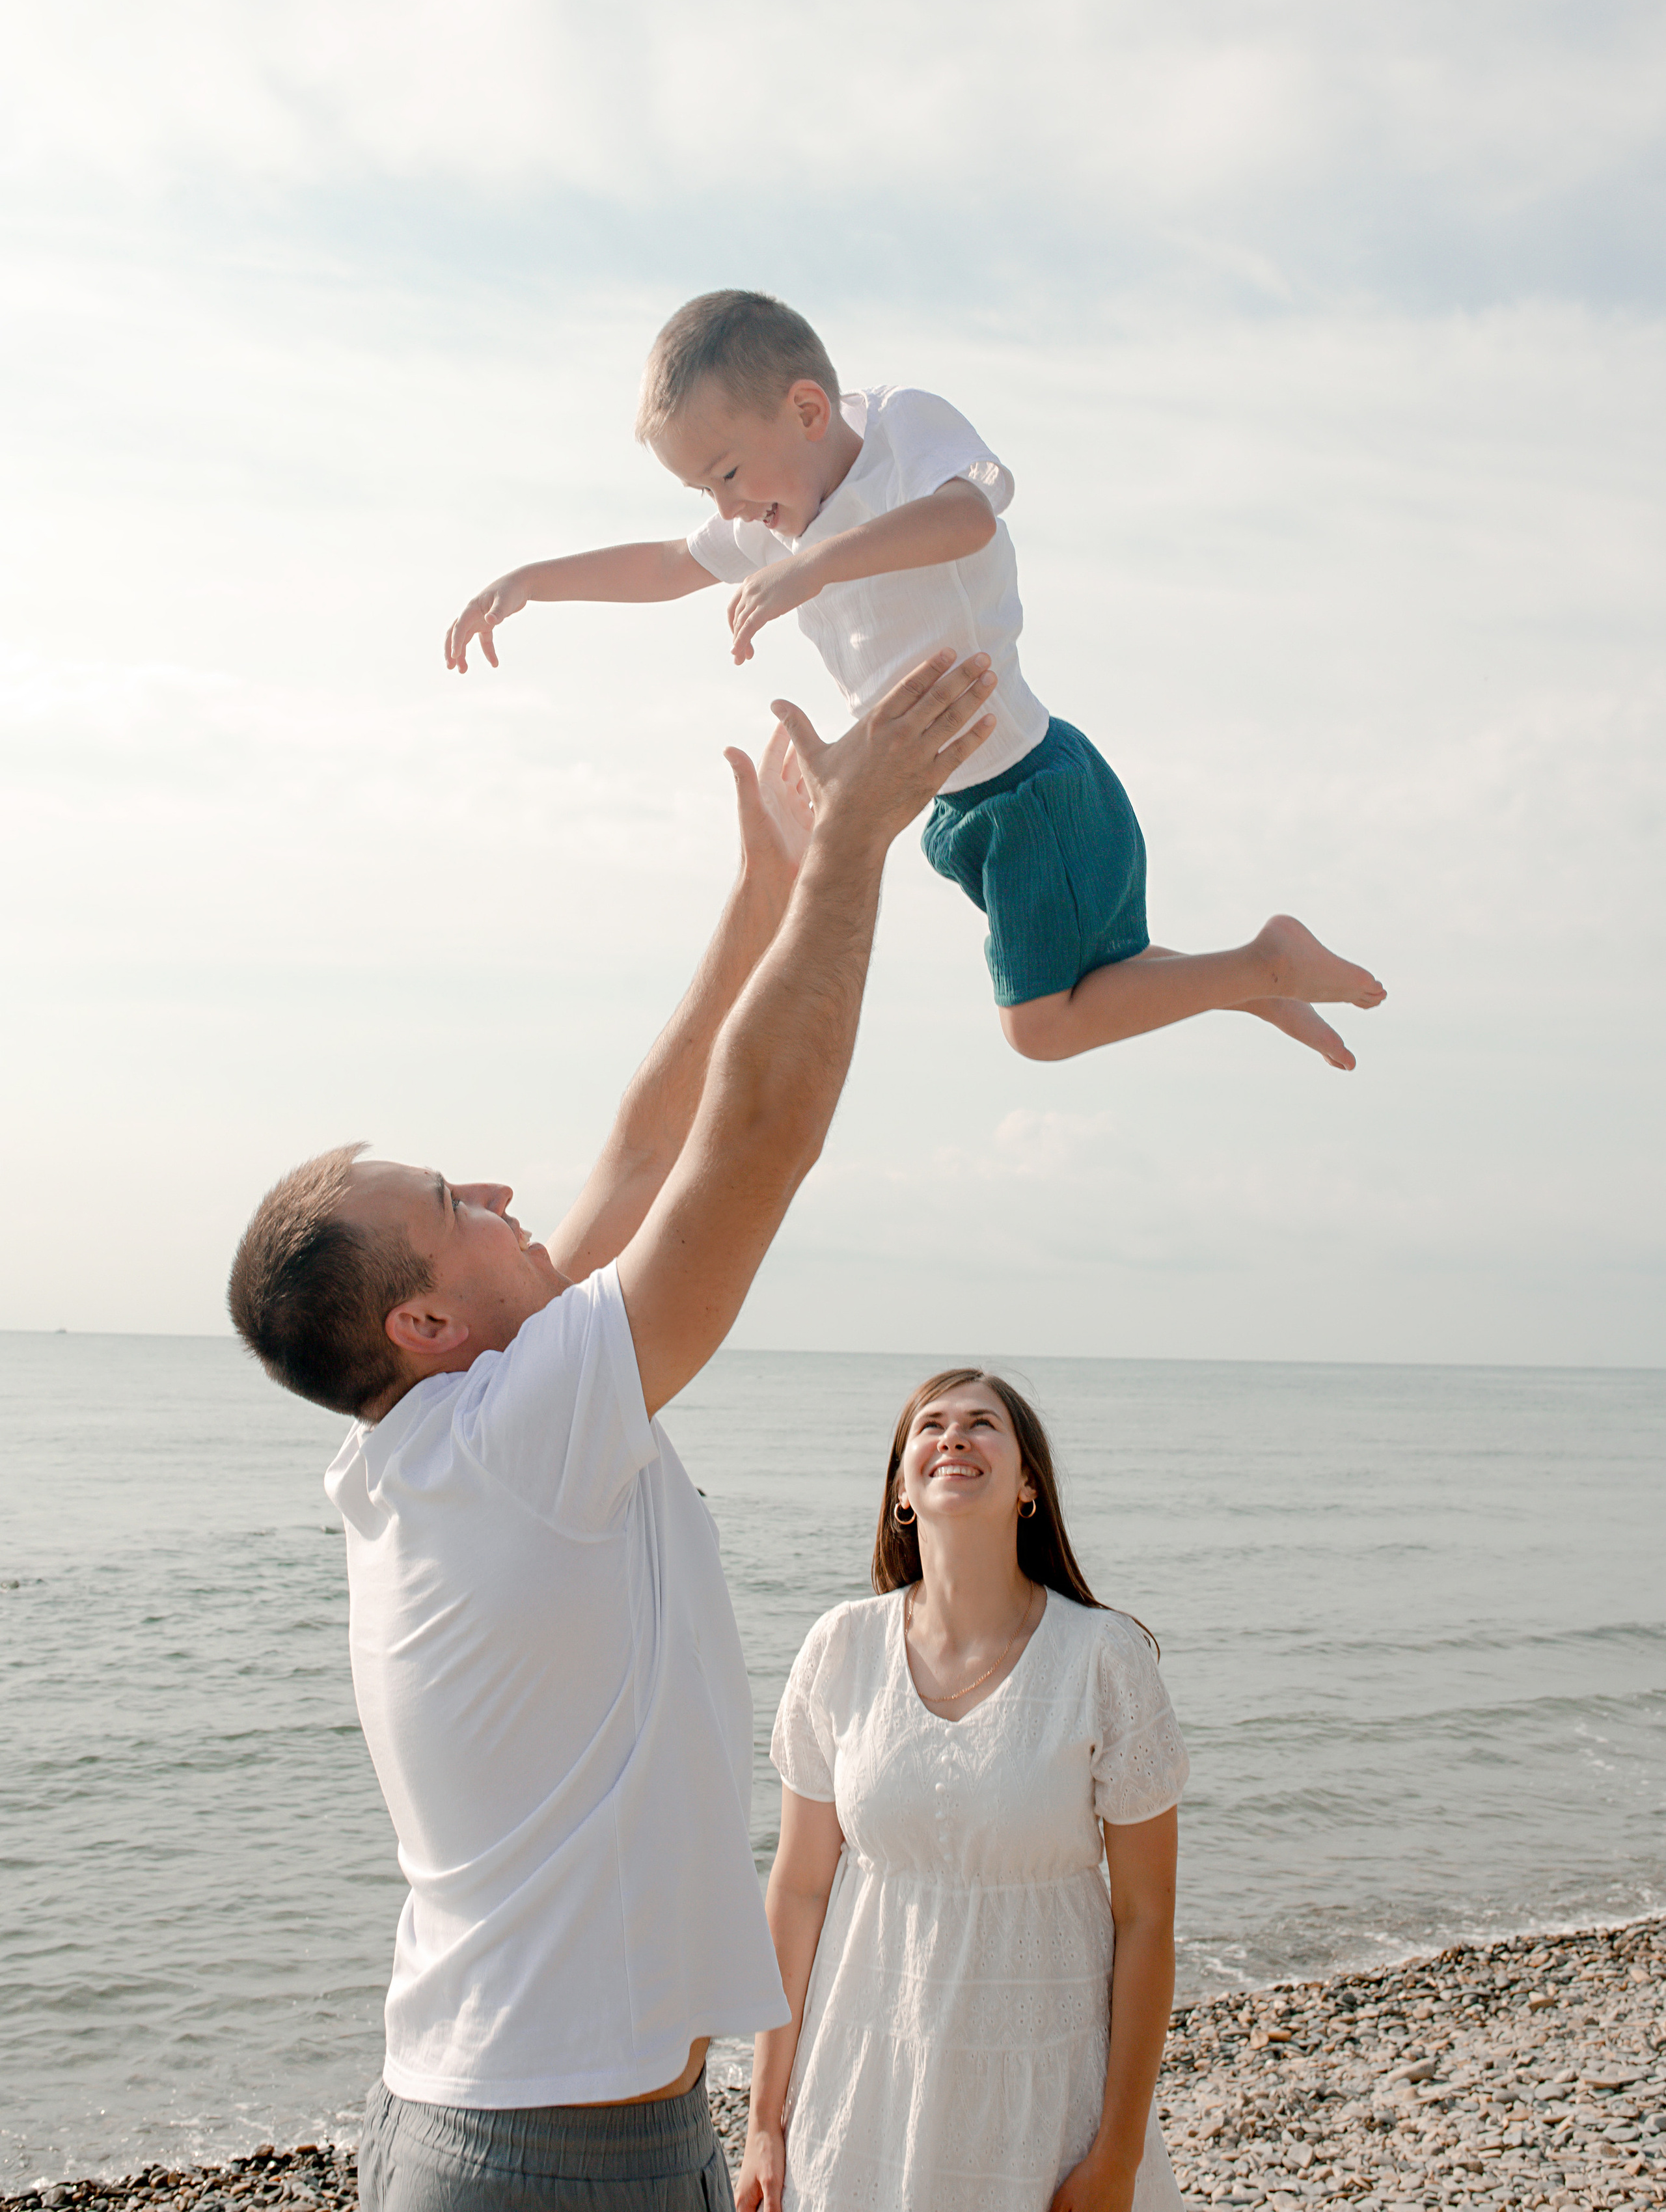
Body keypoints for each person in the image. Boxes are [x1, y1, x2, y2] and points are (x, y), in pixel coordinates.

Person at [225, 651, 999, 2212]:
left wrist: (767, 891)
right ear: (423, 1329)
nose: (506, 1196)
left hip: (528, 2122)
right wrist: (852, 854)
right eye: (455, 1205)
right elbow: (752, 1141)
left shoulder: (448, 1438)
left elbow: (647, 1144)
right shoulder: (514, 1440)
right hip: (549, 2152)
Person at [444, 287, 1386, 1071]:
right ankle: (1257, 982)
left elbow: (968, 518)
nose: (729, 508)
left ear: (809, 411)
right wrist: (533, 582)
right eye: (706, 494)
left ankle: (1262, 963)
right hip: (961, 811)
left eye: (729, 472)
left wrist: (818, 563)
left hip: (1034, 793)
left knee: (1040, 1028)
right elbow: (663, 566)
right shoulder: (772, 516)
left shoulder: (901, 433)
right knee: (1094, 986)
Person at [736, 1368, 1190, 2212]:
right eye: (931, 1426)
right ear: (902, 1488)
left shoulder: (1104, 1659)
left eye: (984, 1424)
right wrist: (766, 2119)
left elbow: (1147, 1919)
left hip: (1044, 2096)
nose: (954, 1437)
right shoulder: (842, 1648)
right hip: (862, 2084)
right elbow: (798, 1893)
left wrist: (1119, 2153)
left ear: (1026, 1485)